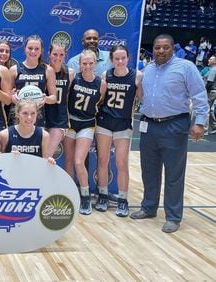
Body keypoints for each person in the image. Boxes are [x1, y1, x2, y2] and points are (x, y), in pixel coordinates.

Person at [130, 34, 209, 233]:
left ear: (173, 48)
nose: (161, 51)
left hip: (175, 125)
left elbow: (200, 96)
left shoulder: (186, 68)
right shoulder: (147, 70)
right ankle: (148, 207)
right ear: (153, 49)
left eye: (165, 47)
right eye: (157, 47)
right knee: (149, 170)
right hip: (149, 126)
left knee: (174, 173)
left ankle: (173, 216)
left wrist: (200, 122)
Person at [95, 45, 143, 217]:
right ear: (112, 60)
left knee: (121, 163)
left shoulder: (136, 76)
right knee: (102, 160)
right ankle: (103, 195)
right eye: (117, 58)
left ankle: (123, 199)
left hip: (123, 124)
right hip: (105, 122)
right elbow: (100, 100)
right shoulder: (105, 75)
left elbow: (141, 98)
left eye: (123, 58)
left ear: (128, 58)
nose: (120, 61)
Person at [64, 49, 105, 215]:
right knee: (68, 161)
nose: (87, 66)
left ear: (95, 64)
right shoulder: (74, 77)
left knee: (79, 161)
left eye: (90, 63)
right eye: (84, 63)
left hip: (87, 124)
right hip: (70, 122)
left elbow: (101, 105)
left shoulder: (101, 83)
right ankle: (68, 193)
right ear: (80, 64)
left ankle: (85, 196)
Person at [9, 35, 57, 127]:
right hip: (18, 117)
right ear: (25, 48)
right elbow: (8, 95)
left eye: (36, 49)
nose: (33, 51)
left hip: (38, 117)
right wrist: (12, 97)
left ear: (41, 50)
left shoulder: (48, 70)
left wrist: (45, 99)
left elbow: (54, 98)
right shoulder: (14, 69)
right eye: (30, 48)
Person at [0, 99, 55, 164]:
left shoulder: (44, 135)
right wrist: (9, 158)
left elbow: (44, 161)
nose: (29, 117)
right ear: (17, 114)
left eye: (33, 113)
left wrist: (49, 161)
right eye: (25, 113)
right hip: (11, 173)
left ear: (37, 114)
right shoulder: (5, 135)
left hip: (34, 173)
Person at [46, 43, 75, 159]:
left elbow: (67, 96)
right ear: (49, 54)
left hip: (59, 118)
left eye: (61, 55)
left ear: (65, 56)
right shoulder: (44, 70)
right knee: (38, 156)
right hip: (42, 117)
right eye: (55, 54)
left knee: (47, 155)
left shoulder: (70, 73)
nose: (58, 58)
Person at [0, 39, 17, 126]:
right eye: (1, 51)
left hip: (3, 114)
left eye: (7, 51)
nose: (4, 54)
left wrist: (13, 94)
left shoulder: (10, 70)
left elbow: (9, 98)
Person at [205, 55, 216, 134]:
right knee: (211, 110)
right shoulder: (212, 69)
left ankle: (204, 129)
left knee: (206, 109)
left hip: (211, 91)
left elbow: (210, 82)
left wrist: (204, 91)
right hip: (213, 91)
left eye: (211, 59)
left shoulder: (213, 69)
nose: (209, 60)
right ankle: (214, 126)